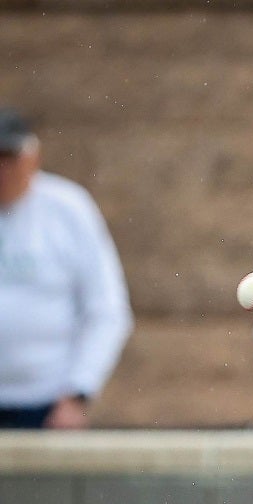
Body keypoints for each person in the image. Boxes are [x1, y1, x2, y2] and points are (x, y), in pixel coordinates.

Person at [0, 107, 133, 429]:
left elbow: (107, 308)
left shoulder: (68, 208)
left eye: (8, 158)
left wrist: (78, 392)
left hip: (46, 402)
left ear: (31, 157)